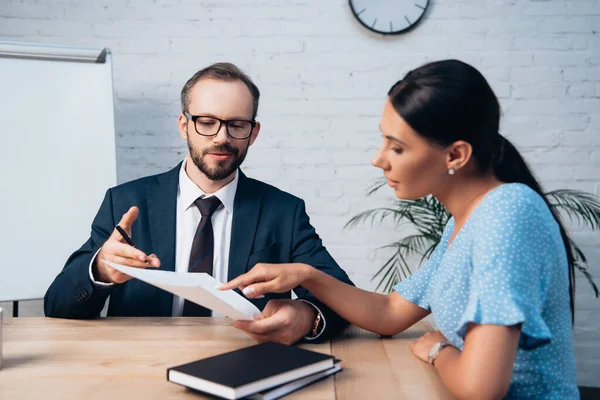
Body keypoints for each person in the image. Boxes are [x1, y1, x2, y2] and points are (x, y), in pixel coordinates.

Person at [219, 60, 579, 398]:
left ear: (455, 155)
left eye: (397, 147)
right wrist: (306, 275)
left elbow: (480, 388)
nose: (379, 159)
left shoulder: (506, 216)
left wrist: (438, 349)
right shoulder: (467, 220)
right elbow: (390, 314)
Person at [44, 62, 354, 345]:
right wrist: (100, 269)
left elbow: (343, 296)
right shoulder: (125, 202)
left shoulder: (284, 212)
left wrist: (305, 316)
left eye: (237, 125)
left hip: (244, 361)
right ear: (184, 125)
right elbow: (57, 303)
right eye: (207, 122)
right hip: (139, 365)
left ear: (253, 133)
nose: (222, 137)